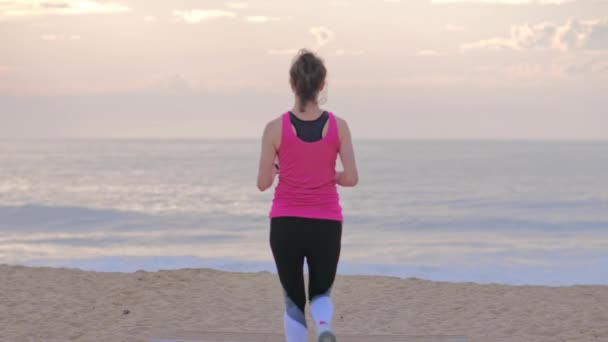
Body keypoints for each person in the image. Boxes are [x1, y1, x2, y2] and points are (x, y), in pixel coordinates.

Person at [256, 48, 359, 342]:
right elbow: (351, 177)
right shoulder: (339, 127)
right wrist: (330, 175)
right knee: (321, 293)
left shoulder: (275, 128)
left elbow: (263, 182)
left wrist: (280, 168)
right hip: (326, 224)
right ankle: (324, 327)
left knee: (292, 300)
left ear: (292, 84)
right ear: (322, 85)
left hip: (286, 223)